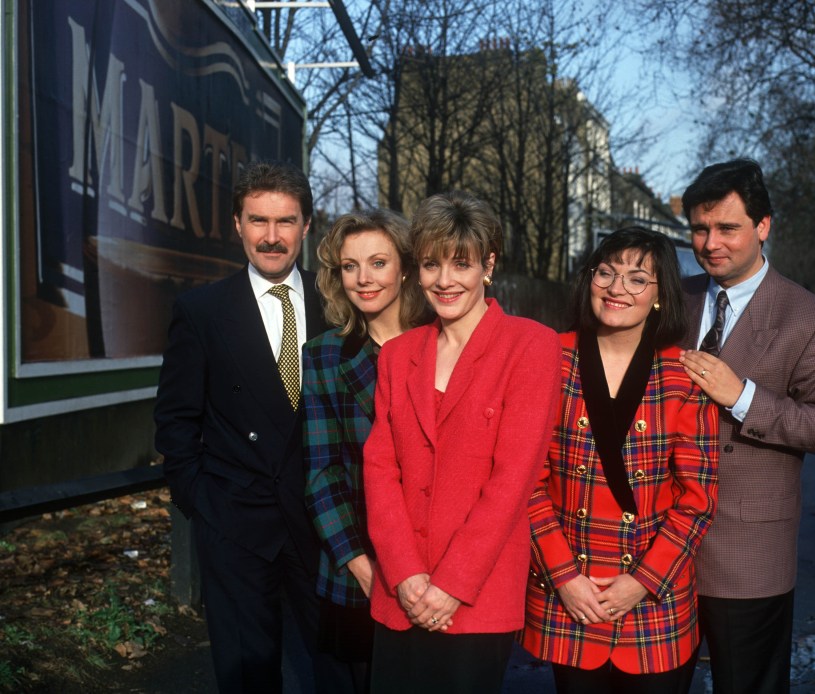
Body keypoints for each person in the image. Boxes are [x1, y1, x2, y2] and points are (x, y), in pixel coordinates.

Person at [362, 191, 562, 693]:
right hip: (400, 593)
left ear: (488, 264)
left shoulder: (530, 346)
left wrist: (450, 585)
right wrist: (406, 575)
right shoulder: (398, 354)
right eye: (431, 264)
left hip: (476, 597)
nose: (444, 280)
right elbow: (380, 469)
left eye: (461, 263)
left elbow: (513, 481)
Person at [154, 162, 340, 693]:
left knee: (344, 672)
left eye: (285, 221)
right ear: (236, 224)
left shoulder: (340, 304)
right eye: (258, 220)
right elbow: (175, 422)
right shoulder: (202, 311)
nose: (272, 237)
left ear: (307, 225)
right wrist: (206, 506)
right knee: (247, 677)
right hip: (236, 526)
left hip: (327, 529)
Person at [677, 159, 815, 694]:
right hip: (657, 546)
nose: (711, 243)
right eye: (700, 229)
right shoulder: (669, 298)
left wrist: (744, 397)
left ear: (763, 226)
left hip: (749, 552)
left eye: (727, 228)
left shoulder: (813, 319)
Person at [522, 227, 720, 693]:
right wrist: (565, 577)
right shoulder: (549, 358)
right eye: (605, 273)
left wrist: (642, 582)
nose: (616, 288)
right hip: (571, 594)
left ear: (659, 295)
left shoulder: (683, 376)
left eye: (636, 279)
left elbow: (698, 501)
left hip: (654, 601)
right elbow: (526, 481)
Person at [303, 209, 428, 692]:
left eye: (378, 262)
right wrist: (360, 565)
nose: (363, 278)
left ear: (404, 266)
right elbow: (321, 472)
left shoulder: (444, 342)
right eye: (350, 266)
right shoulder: (323, 356)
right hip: (361, 566)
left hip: (439, 565)